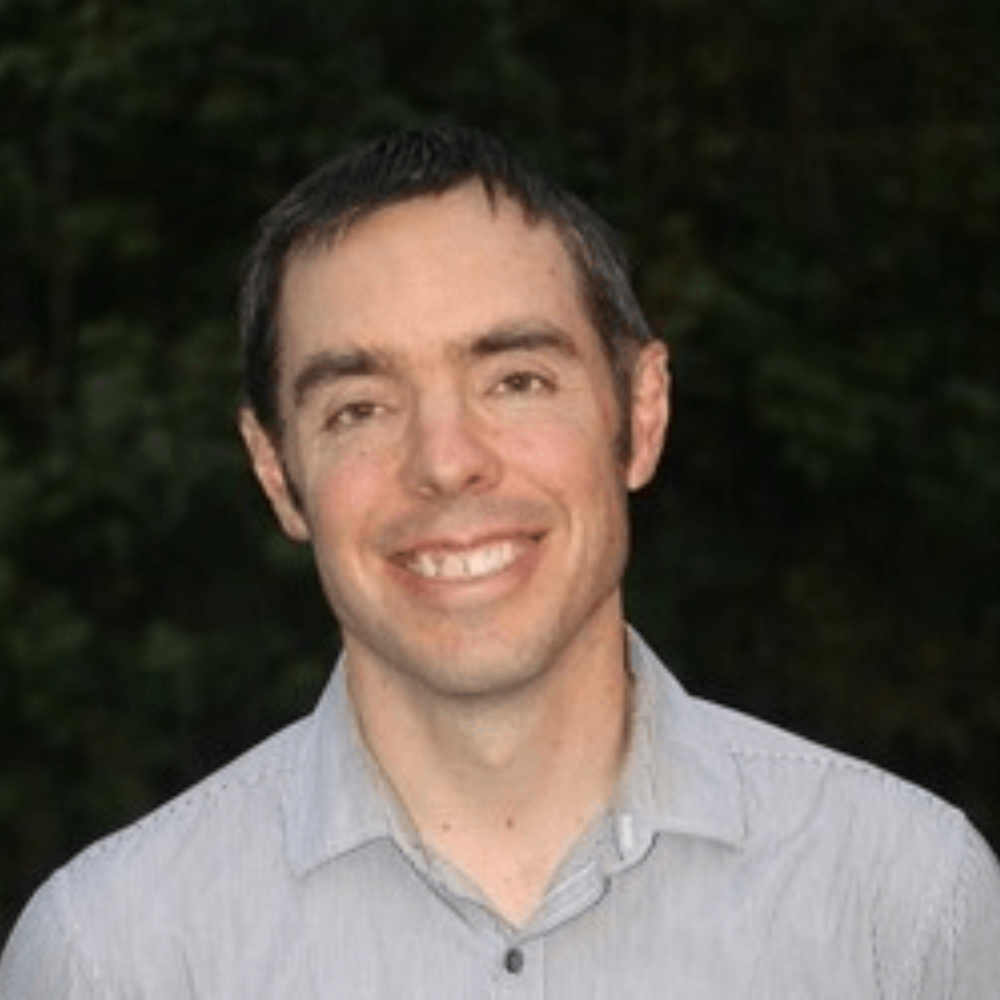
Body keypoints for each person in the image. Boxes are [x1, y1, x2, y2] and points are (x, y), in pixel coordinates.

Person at [2, 124, 999, 998]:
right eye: (359, 407)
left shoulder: (904, 900)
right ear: (277, 472)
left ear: (640, 413)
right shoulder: (117, 957)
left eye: (517, 381)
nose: (445, 462)